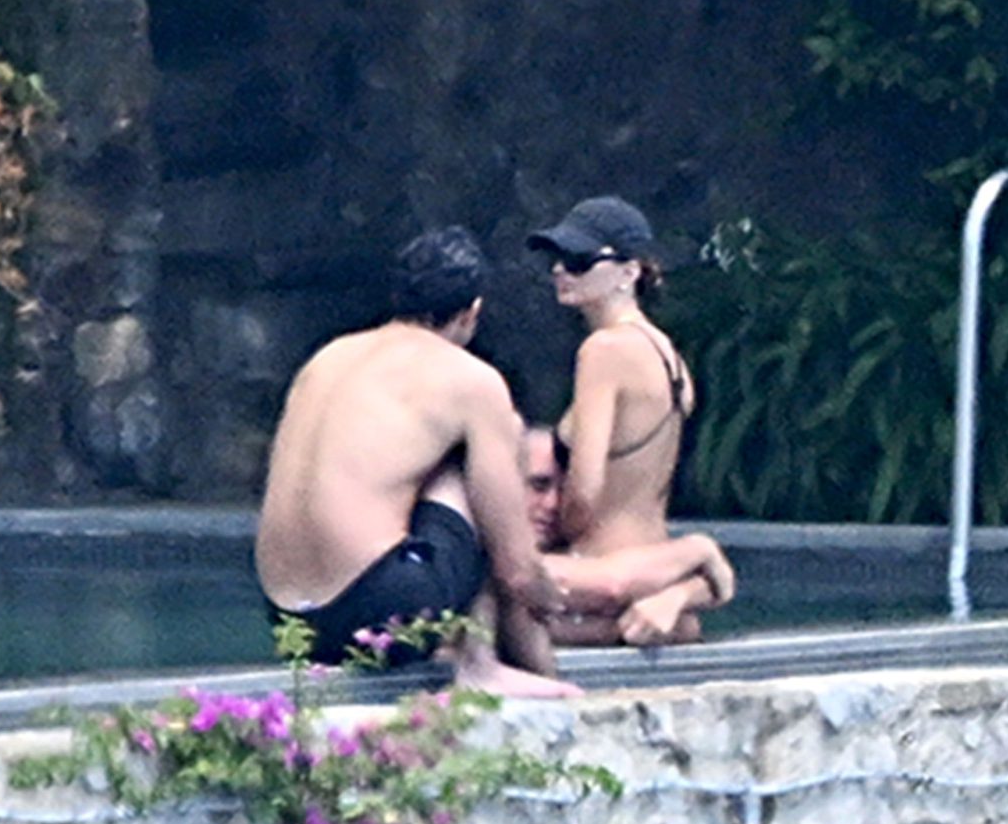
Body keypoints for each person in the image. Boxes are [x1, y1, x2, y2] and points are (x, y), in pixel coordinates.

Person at [255, 226, 579, 697]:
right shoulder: (471, 380)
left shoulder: (325, 359)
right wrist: (545, 595)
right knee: (495, 439)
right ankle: (480, 665)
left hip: (291, 625)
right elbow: (516, 568)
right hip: (373, 614)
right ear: (472, 312)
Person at [527, 195, 719, 636]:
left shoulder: (604, 350)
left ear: (630, 272)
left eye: (579, 261)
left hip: (604, 568)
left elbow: (585, 491)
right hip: (656, 563)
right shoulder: (669, 356)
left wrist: (557, 537)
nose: (560, 270)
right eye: (558, 259)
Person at [524, 425, 735, 645]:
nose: (553, 503)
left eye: (566, 491)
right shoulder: (507, 564)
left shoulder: (574, 555)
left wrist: (677, 597)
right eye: (538, 485)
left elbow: (701, 602)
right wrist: (698, 548)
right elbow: (613, 584)